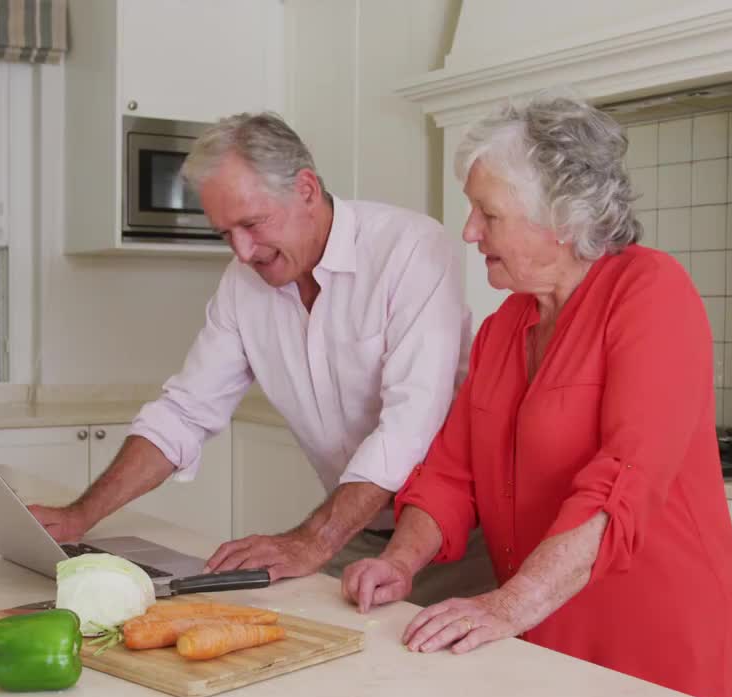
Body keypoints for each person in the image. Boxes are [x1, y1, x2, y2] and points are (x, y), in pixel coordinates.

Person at [340, 95, 732, 697]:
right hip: (540, 631)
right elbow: (453, 474)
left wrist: (508, 605)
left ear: (559, 217)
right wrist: (401, 562)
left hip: (649, 642)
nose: (470, 230)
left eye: (487, 212)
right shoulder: (508, 324)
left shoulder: (651, 293)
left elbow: (622, 485)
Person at [29, 112, 496, 602]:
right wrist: (81, 515)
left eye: (252, 224)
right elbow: (185, 412)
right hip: (359, 532)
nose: (243, 251)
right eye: (225, 233)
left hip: (461, 539)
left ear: (307, 190)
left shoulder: (409, 248)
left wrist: (312, 541)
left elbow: (409, 427)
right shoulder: (242, 283)